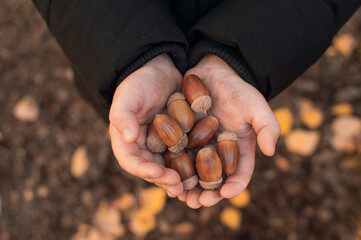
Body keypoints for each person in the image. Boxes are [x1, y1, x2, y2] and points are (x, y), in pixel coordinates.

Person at [32, 0, 361, 209]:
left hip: (257, 42)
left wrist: (242, 57)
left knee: (147, 139)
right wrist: (132, 56)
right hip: (114, 55)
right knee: (131, 123)